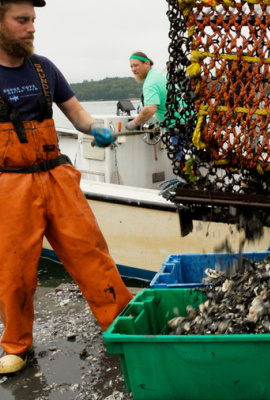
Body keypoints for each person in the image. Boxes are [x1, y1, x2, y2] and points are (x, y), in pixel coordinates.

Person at [0, 0, 133, 374]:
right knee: (14, 270)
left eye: (33, 21)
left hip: (57, 178)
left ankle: (119, 324)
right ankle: (16, 345)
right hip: (9, 186)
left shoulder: (44, 68)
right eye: (22, 20)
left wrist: (95, 128)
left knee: (90, 251)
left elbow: (75, 112)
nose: (31, 28)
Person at [125, 51, 168, 130]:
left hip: (179, 128)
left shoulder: (150, 82)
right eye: (131, 66)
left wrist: (133, 124)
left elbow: (150, 109)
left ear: (146, 64)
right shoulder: (158, 74)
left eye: (136, 65)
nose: (133, 69)